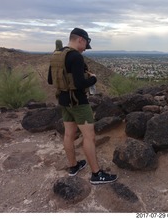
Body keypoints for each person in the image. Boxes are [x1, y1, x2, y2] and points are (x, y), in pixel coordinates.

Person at [48, 27, 118, 185]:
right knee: (89, 137)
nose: (85, 49)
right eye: (86, 44)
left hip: (64, 100)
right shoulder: (76, 57)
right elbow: (80, 84)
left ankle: (73, 166)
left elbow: (50, 81)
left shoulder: (57, 55)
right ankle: (96, 174)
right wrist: (93, 80)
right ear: (80, 39)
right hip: (78, 102)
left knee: (68, 134)